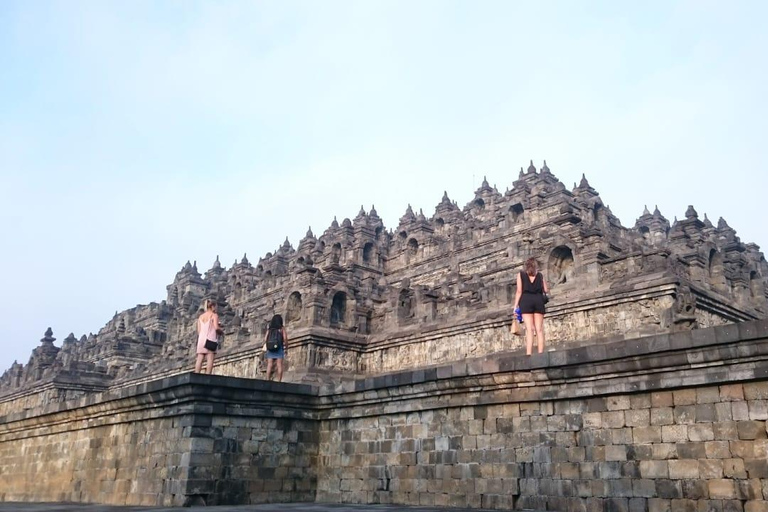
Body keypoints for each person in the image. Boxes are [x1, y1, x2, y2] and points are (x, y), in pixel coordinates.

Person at [513, 257, 549, 355]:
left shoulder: (520, 274)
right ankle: (541, 353)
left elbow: (519, 291)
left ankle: (529, 354)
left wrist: (515, 306)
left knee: (529, 329)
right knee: (539, 329)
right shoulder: (540, 275)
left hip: (526, 301)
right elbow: (546, 290)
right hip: (538, 301)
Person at [195, 299, 221, 374]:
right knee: (210, 357)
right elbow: (216, 327)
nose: (216, 309)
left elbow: (199, 330)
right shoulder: (214, 315)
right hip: (210, 339)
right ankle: (208, 375)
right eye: (215, 307)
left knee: (200, 358)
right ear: (212, 306)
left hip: (201, 339)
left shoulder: (200, 317)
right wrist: (221, 331)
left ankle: (196, 374)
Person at [264, 314, 288, 382]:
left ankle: (267, 379)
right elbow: (285, 338)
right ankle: (279, 381)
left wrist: (268, 345)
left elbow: (265, 338)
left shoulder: (270, 328)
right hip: (279, 347)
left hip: (270, 348)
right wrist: (286, 347)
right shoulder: (282, 328)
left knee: (269, 364)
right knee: (279, 364)